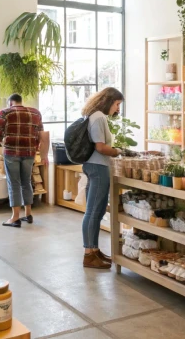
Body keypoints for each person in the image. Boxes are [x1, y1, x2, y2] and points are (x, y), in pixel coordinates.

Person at [79, 87, 125, 269]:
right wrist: (118, 151)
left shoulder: (94, 115)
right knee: (93, 211)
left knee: (96, 211)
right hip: (98, 167)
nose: (117, 108)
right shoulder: (98, 117)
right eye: (117, 104)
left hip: (94, 165)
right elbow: (100, 147)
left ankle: (94, 250)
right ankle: (88, 254)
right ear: (109, 101)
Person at [0, 93, 48, 227]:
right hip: (29, 153)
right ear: (20, 101)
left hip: (11, 152)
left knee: (14, 184)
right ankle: (28, 214)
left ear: (10, 102)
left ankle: (15, 218)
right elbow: (42, 135)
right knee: (26, 182)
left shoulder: (5, 112)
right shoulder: (35, 113)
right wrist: (43, 154)